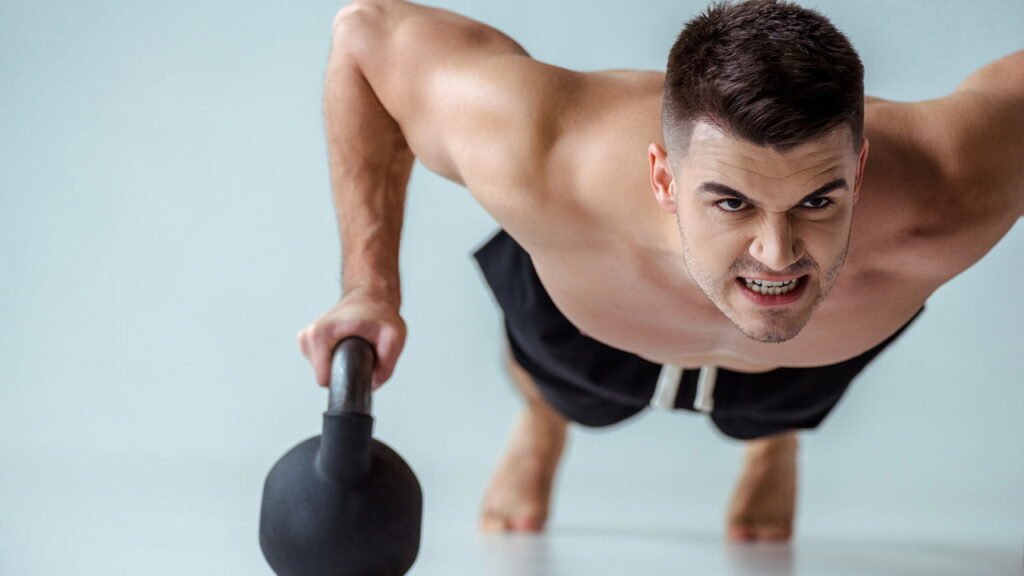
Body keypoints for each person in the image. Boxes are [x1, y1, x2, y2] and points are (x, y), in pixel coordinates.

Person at [296, 0, 1023, 542]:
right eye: (731, 202)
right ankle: (543, 423)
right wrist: (370, 286)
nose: (776, 253)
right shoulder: (545, 155)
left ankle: (775, 440)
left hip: (811, 354)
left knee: (774, 407)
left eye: (816, 199)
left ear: (857, 171)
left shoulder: (949, 191)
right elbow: (367, 34)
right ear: (665, 178)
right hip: (593, 315)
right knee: (561, 386)